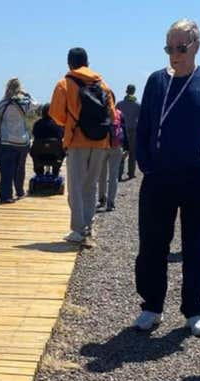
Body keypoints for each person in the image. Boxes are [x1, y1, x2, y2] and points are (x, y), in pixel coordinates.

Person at [133, 19, 200, 337]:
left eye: (181, 48)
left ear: (196, 46)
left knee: (194, 246)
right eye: (169, 48)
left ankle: (194, 310)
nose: (174, 54)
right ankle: (151, 306)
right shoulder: (156, 81)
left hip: (197, 179)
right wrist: (146, 165)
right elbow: (144, 127)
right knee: (152, 245)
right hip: (157, 179)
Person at [49, 47, 115, 244]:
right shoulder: (102, 84)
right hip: (100, 141)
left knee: (76, 186)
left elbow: (56, 115)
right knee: (91, 185)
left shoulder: (64, 84)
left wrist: (71, 123)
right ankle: (88, 225)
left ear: (69, 63)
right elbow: (112, 114)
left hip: (77, 140)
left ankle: (78, 230)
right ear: (87, 63)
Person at [0, 78, 35, 203]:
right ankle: (19, 191)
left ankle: (6, 196)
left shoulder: (3, 104)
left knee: (6, 169)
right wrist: (26, 94)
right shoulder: (24, 103)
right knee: (20, 168)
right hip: (22, 141)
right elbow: (35, 104)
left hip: (6, 140)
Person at [98, 91, 128, 211]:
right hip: (116, 146)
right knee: (113, 175)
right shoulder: (119, 113)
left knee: (102, 175)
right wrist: (127, 148)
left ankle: (102, 199)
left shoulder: (100, 113)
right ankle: (111, 203)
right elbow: (124, 131)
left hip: (102, 147)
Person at [31, 103, 65, 176]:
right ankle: (56, 170)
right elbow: (62, 135)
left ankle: (39, 171)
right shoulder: (58, 124)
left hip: (39, 155)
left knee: (34, 149)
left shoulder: (37, 124)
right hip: (55, 155)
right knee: (62, 150)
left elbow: (34, 134)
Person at [116, 84, 141, 179]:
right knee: (132, 153)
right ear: (134, 92)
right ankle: (131, 173)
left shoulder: (119, 104)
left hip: (121, 130)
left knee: (122, 152)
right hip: (133, 130)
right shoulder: (138, 105)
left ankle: (119, 174)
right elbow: (141, 119)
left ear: (126, 91)